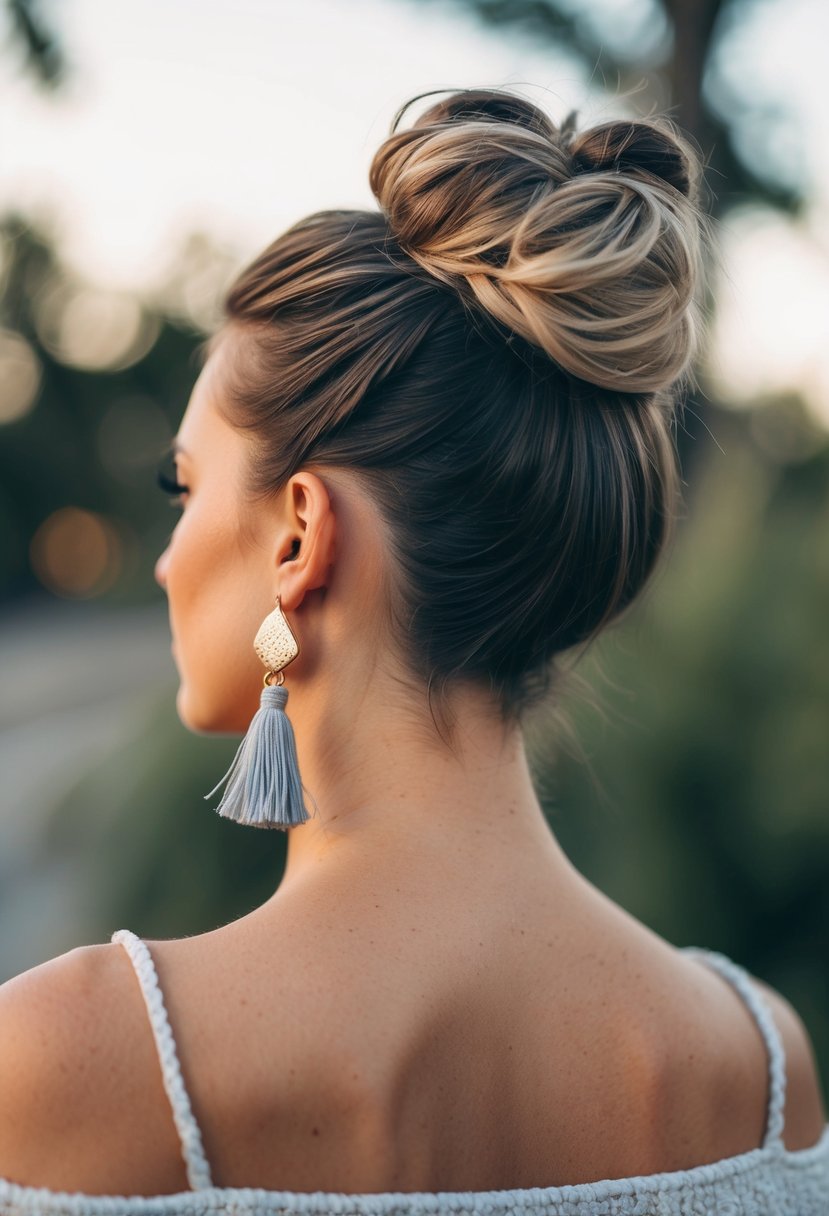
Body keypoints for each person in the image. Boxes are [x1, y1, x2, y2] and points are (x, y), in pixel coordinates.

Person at [0, 86, 827, 1215]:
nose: (163, 555)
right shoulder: (755, 1072)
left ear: (299, 532)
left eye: (182, 487)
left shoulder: (74, 1058)